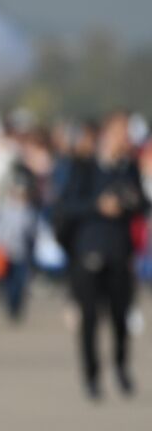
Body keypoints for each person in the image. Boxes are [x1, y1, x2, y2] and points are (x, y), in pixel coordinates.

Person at [52, 113, 149, 398]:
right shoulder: (84, 167)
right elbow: (66, 206)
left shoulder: (129, 167)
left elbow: (142, 204)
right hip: (88, 252)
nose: (125, 138)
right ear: (106, 134)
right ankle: (92, 376)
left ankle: (121, 368)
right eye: (120, 132)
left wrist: (129, 202)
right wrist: (98, 205)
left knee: (121, 317)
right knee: (91, 319)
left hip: (120, 252)